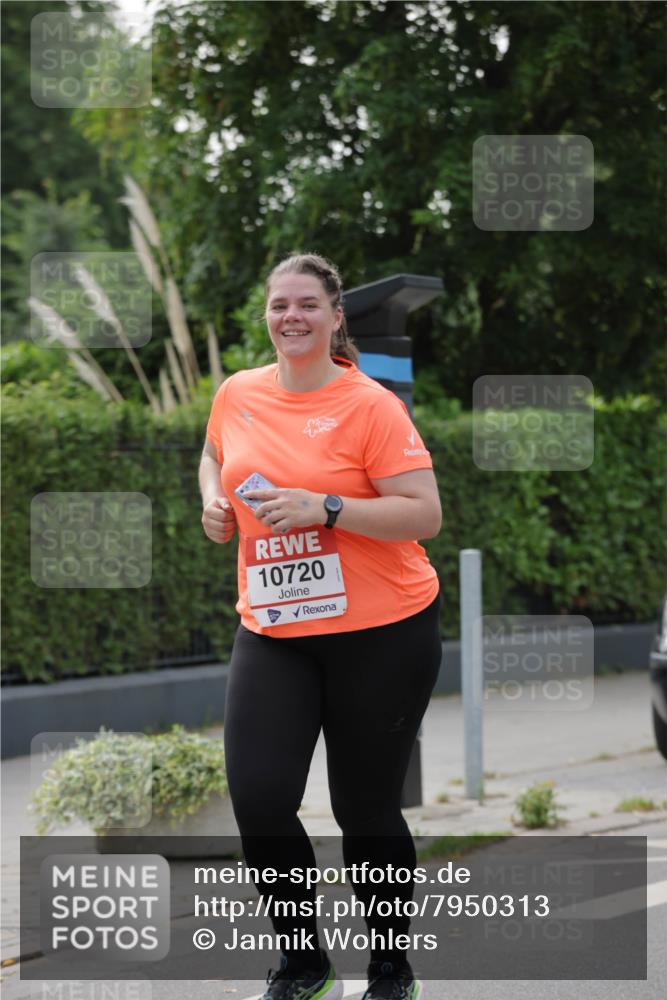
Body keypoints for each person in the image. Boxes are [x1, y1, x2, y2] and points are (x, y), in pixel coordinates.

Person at [199, 253, 442, 1000]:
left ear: (335, 317)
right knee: (260, 799)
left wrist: (326, 507)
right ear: (267, 316)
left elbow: (423, 514)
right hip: (274, 631)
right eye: (280, 305)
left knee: (363, 809)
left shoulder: (370, 405)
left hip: (383, 630)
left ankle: (391, 969)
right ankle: (304, 965)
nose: (292, 316)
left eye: (307, 304)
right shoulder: (237, 392)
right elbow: (212, 455)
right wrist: (212, 502)